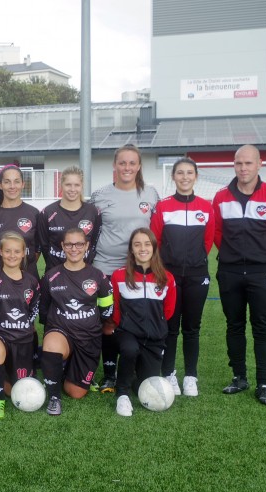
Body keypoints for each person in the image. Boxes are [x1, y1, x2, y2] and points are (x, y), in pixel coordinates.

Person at [212, 144, 266, 406]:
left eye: (248, 163)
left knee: (262, 328)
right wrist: (235, 256)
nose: (243, 168)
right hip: (230, 271)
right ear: (234, 165)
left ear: (260, 165)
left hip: (263, 273)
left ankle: (263, 384)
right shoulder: (221, 197)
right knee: (234, 326)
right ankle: (239, 377)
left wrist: (263, 257)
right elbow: (216, 234)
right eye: (239, 163)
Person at [89, 144, 160, 393]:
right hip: (106, 269)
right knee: (108, 321)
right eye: (122, 163)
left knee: (135, 319)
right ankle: (109, 373)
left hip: (138, 270)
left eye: (132, 163)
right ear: (114, 165)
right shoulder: (99, 195)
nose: (127, 167)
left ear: (139, 166)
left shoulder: (151, 194)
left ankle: (134, 367)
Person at [150, 158, 214, 397]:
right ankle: (169, 374)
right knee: (170, 327)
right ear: (173, 177)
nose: (185, 177)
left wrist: (195, 262)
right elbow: (154, 239)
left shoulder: (206, 207)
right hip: (169, 277)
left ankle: (190, 377)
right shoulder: (163, 206)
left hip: (198, 276)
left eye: (189, 173)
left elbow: (207, 242)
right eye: (180, 173)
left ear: (196, 176)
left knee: (192, 328)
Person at [38, 228, 113, 416]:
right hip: (61, 332)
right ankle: (54, 397)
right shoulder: (51, 276)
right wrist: (51, 333)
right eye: (69, 244)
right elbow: (45, 310)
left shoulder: (98, 277)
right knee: (52, 345)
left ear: (87, 246)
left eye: (79, 244)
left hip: (88, 339)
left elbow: (107, 310)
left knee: (76, 392)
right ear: (62, 246)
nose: (74, 248)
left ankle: (61, 368)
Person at [110, 228, 176, 417]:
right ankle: (121, 394)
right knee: (130, 349)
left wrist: (156, 327)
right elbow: (115, 308)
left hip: (154, 338)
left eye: (147, 244)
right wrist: (123, 324)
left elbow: (169, 311)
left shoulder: (167, 278)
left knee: (144, 385)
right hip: (127, 333)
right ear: (131, 249)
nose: (142, 248)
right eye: (137, 244)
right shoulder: (119, 276)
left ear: (154, 248)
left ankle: (127, 372)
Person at [0, 232, 40, 419]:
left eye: (16, 251)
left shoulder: (31, 281)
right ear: (0, 252)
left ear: (24, 253)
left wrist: (23, 327)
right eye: (7, 251)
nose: (12, 255)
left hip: (23, 338)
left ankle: (3, 384)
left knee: (14, 390)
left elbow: (33, 310)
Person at [0, 165, 41, 279]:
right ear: (0, 185)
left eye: (17, 182)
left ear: (23, 184)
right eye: (7, 182)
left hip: (27, 279)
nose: (12, 186)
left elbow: (37, 250)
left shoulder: (34, 213)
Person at [39, 165, 101, 268]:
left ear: (82, 186)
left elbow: (94, 244)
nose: (72, 189)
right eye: (68, 185)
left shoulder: (93, 212)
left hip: (85, 275)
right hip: (55, 274)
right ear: (61, 185)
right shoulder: (47, 213)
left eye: (77, 185)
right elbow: (45, 247)